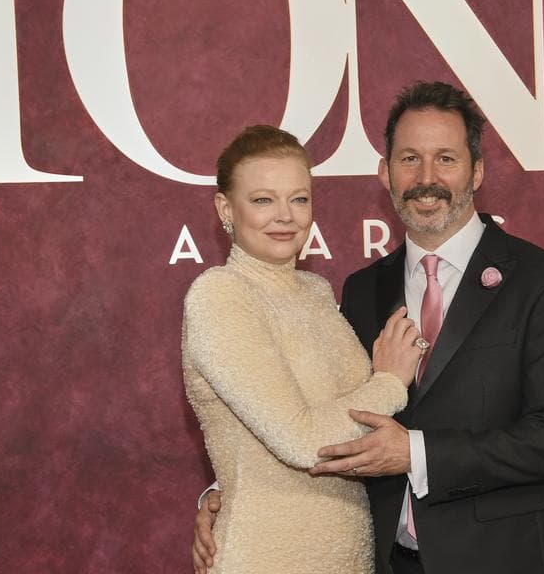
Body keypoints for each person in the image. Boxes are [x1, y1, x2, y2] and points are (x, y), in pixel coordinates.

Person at [194, 84, 544, 574]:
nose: (426, 178)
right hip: (384, 560)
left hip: (507, 558)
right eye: (408, 159)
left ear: (478, 170)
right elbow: (314, 412)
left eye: (445, 158)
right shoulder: (362, 290)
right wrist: (228, 490)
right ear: (384, 172)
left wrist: (416, 453)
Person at [182, 124, 425, 574]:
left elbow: (342, 430)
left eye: (298, 199)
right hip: (264, 557)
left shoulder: (316, 292)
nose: (285, 216)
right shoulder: (218, 295)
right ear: (225, 208)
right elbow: (302, 441)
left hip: (349, 555)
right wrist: (389, 382)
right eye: (262, 200)